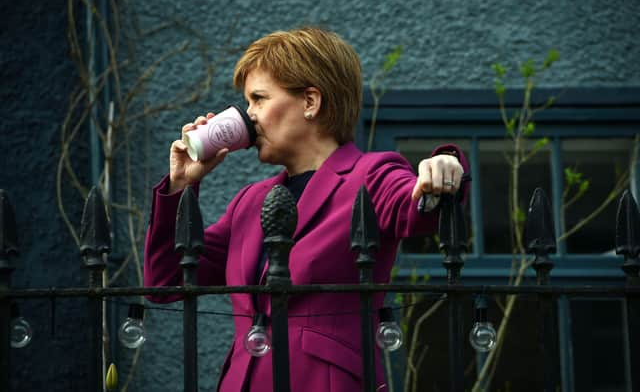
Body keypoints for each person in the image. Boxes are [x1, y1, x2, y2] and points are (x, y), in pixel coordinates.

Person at [144, 27, 469, 392]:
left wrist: (443, 170)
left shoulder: (371, 174)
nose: (248, 116)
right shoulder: (249, 202)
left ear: (311, 101)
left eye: (259, 99)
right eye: (248, 102)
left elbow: (416, 210)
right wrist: (181, 185)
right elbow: (166, 282)